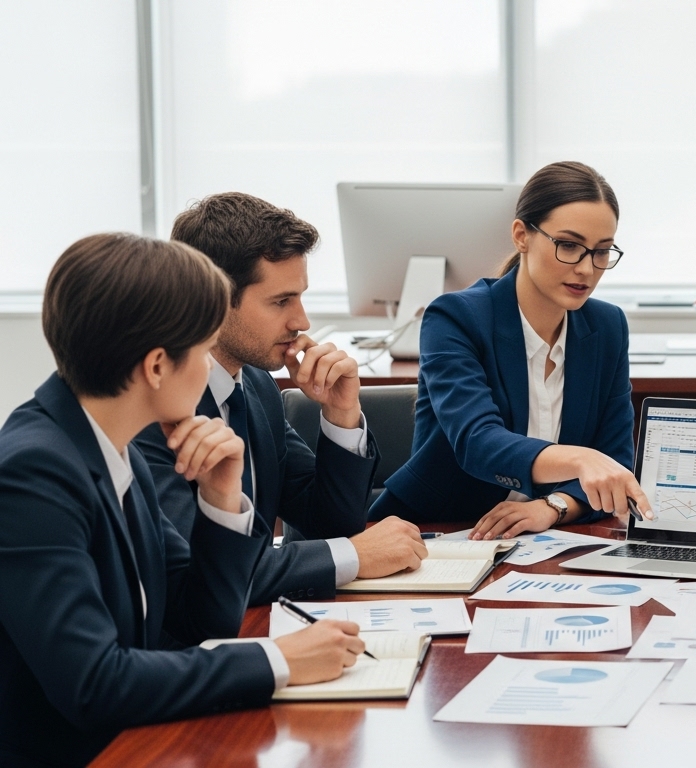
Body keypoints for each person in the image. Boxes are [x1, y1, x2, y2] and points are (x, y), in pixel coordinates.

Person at [0, 234, 363, 767]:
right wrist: (276, 659)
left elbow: (203, 620)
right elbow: (94, 684)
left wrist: (221, 500)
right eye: (200, 351)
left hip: (141, 739)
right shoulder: (34, 473)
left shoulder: (114, 444)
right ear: (155, 367)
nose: (209, 368)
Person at [134, 193, 427, 607]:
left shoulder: (253, 385)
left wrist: (341, 413)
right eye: (281, 301)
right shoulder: (154, 412)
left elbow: (327, 521)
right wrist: (353, 556)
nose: (302, 322)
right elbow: (197, 576)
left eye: (301, 297)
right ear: (211, 298)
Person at [372, 161, 651, 536]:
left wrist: (554, 506)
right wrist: (582, 460)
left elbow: (615, 460)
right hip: (443, 530)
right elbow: (477, 442)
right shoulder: (455, 317)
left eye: (601, 251)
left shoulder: (607, 326)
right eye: (569, 246)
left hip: (549, 538)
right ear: (522, 235)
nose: (587, 268)